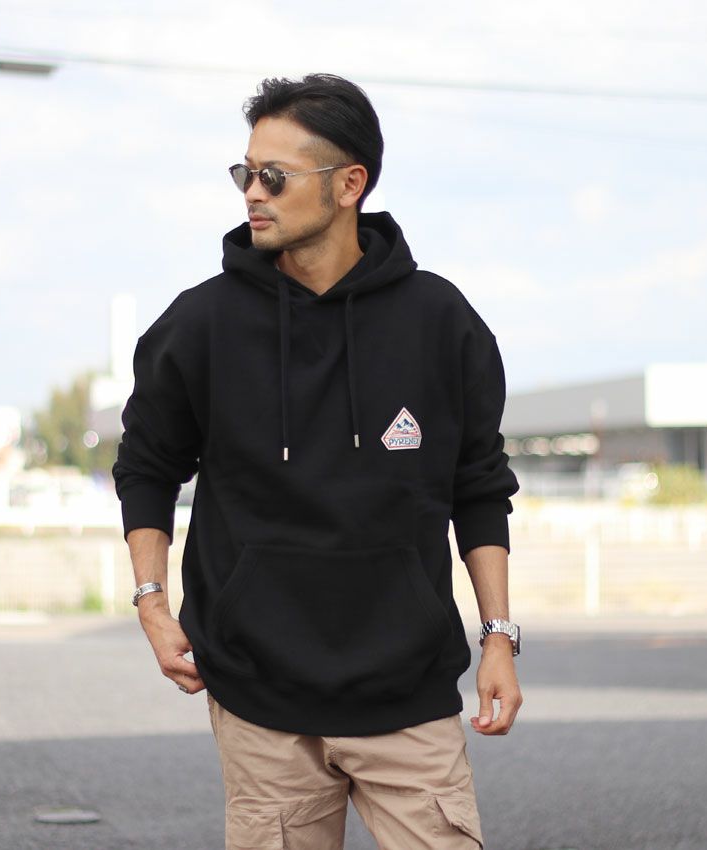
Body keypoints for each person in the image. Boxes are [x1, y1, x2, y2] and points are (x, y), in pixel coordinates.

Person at [112, 72, 522, 850]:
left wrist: (497, 636)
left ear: (349, 184)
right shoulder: (201, 324)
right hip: (260, 699)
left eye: (274, 176)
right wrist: (152, 605)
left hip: (408, 695)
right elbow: (146, 467)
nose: (251, 193)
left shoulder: (440, 322)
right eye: (244, 173)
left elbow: (479, 486)